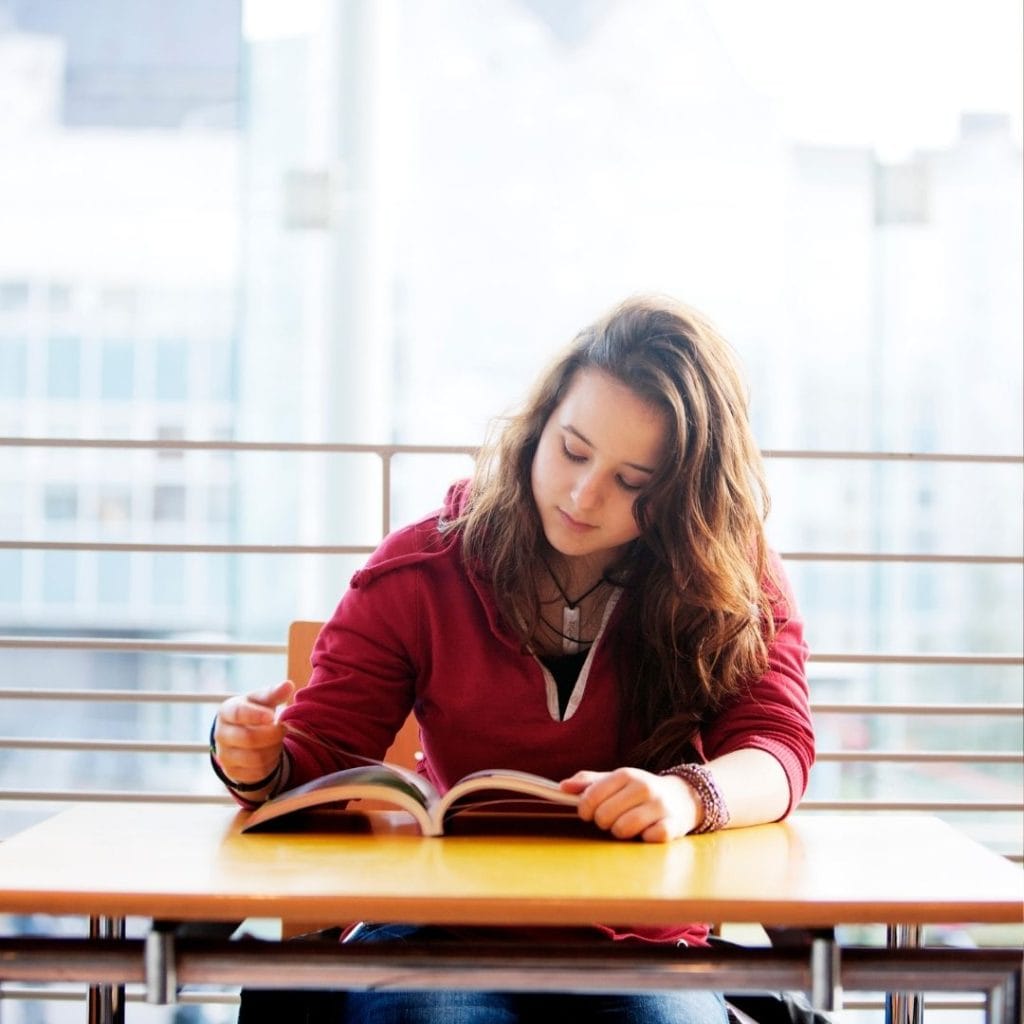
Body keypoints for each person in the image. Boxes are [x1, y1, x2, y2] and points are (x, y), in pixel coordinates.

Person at [211, 295, 815, 1024]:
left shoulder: (729, 579)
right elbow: (321, 755)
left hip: (640, 938)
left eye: (633, 483)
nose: (583, 495)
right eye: (573, 451)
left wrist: (690, 796)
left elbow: (777, 747)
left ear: (686, 494)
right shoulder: (423, 568)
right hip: (437, 929)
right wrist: (255, 760)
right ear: (539, 425)